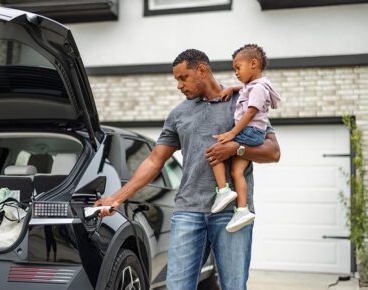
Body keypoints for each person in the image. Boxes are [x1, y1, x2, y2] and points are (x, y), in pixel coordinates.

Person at [94, 49, 280, 290]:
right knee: (178, 286)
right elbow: (154, 161)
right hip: (187, 212)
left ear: (202, 70)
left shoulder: (243, 101)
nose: (179, 86)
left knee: (234, 286)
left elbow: (273, 151)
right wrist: (116, 197)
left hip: (232, 213)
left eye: (183, 78)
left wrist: (236, 149)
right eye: (176, 80)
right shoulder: (178, 114)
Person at [210, 44, 281, 233]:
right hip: (253, 133)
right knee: (237, 171)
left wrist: (232, 134)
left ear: (253, 64)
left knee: (216, 150)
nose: (236, 73)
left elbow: (250, 112)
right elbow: (245, 89)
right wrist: (233, 89)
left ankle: (223, 191)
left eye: (238, 68)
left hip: (249, 131)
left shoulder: (258, 88)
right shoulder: (253, 86)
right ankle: (242, 210)